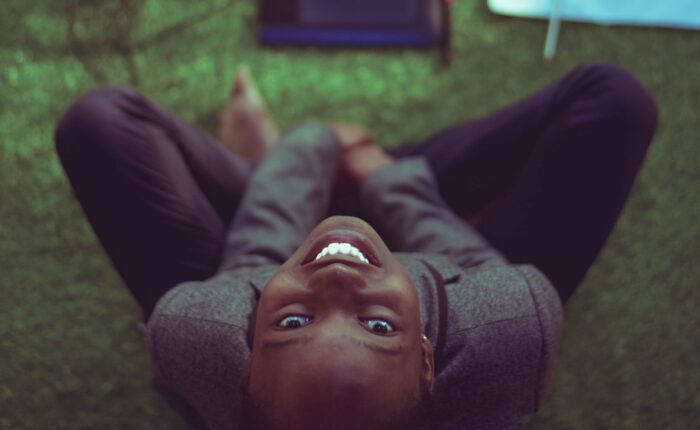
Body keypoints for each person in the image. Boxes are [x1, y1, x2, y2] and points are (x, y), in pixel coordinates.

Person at [54, 63, 658, 430]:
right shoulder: (509, 326)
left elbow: (262, 247)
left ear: (243, 361)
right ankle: (363, 171)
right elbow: (458, 253)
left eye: (293, 320)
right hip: (437, 226)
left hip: (275, 244)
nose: (337, 282)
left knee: (97, 121)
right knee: (616, 100)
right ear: (428, 360)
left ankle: (267, 163)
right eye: (376, 326)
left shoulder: (199, 331)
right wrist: (378, 172)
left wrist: (312, 145)